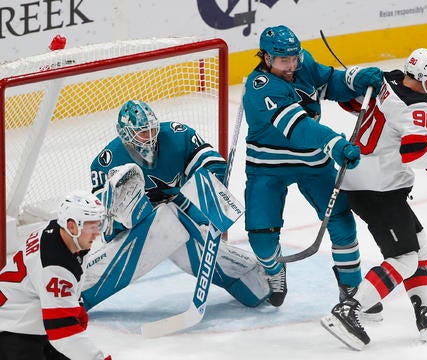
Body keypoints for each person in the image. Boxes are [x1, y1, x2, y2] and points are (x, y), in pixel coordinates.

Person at [321, 48, 427, 350]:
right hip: (379, 189)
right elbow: (412, 152)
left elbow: (350, 102)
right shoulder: (420, 106)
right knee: (405, 258)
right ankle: (348, 311)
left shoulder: (388, 81)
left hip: (359, 178)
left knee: (420, 244)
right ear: (426, 78)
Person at [242, 25, 384, 307]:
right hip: (268, 165)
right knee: (262, 241)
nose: (292, 65)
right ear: (267, 58)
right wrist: (333, 143)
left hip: (312, 161)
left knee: (342, 222)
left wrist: (355, 79)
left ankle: (352, 290)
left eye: (294, 58)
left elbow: (330, 82)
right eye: (284, 61)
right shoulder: (259, 88)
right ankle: (274, 271)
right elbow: (298, 127)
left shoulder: (301, 63)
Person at [81, 100, 270, 311]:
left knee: (181, 231)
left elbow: (211, 164)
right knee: (162, 218)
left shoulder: (177, 135)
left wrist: (212, 192)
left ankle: (254, 280)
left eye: (152, 129)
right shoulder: (107, 161)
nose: (150, 136)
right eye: (143, 132)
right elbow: (109, 223)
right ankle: (78, 295)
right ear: (125, 133)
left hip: (181, 214)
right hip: (138, 229)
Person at [0, 191, 111, 359]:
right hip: (12, 330)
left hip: (28, 320)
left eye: (99, 225)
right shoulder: (54, 263)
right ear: (72, 226)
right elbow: (63, 333)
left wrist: (74, 304)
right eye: (92, 226)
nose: (97, 233)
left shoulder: (62, 233)